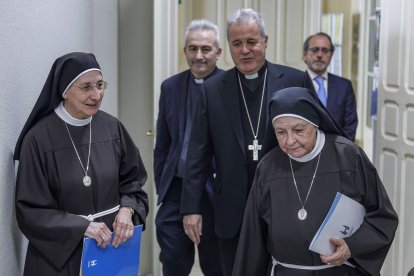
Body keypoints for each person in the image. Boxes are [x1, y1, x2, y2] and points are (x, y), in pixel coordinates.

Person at [181, 8, 311, 275]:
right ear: (228, 47)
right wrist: (191, 208)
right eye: (236, 43)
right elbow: (198, 154)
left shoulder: (295, 82)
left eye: (251, 42)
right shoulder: (212, 90)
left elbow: (315, 140)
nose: (245, 50)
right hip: (231, 208)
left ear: (265, 41)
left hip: (284, 202)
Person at [233, 87, 398, 275]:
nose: (290, 141)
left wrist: (352, 246)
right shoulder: (268, 168)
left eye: (298, 130)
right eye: (281, 132)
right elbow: (253, 238)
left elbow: (383, 217)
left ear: (315, 123)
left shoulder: (348, 157)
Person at [14, 52, 149, 276]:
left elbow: (132, 181)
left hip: (109, 248)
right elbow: (30, 210)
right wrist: (82, 227)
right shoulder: (38, 139)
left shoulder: (112, 128)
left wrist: (127, 209)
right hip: (58, 259)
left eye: (99, 84)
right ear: (65, 91)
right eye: (86, 87)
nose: (96, 95)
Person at [154, 19, 223, 276]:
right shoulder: (170, 87)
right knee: (172, 261)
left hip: (214, 191)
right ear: (185, 51)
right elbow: (163, 143)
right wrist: (162, 180)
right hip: (176, 189)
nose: (199, 56)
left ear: (218, 52)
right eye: (192, 48)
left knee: (216, 265)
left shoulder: (230, 87)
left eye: (206, 49)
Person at [303, 32, 358, 141]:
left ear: (331, 55)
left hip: (338, 151)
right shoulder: (296, 84)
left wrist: (341, 151)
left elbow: (350, 126)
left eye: (325, 50)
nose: (319, 54)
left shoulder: (344, 86)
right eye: (314, 50)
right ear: (305, 54)